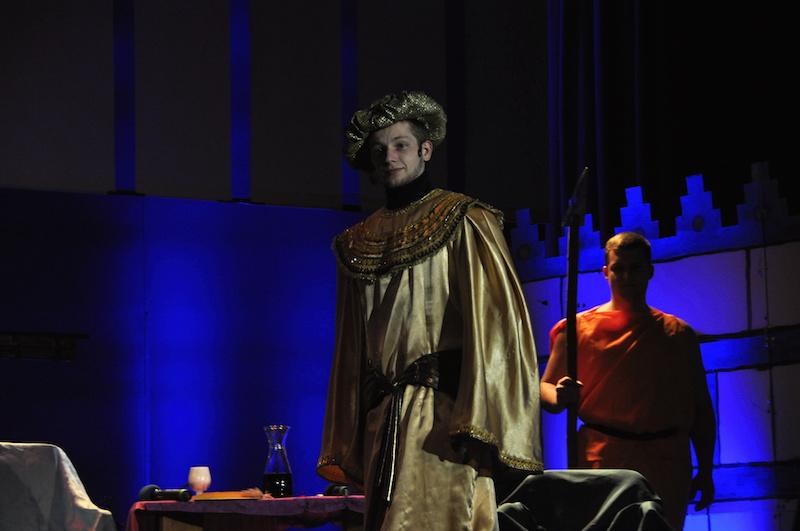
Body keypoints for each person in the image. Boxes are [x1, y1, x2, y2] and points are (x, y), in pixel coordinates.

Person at [316, 90, 543, 530]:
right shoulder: (356, 242)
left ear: (425, 150)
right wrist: (356, 427)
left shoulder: (464, 219)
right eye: (380, 150)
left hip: (444, 417)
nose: (389, 156)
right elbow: (351, 350)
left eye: (400, 145)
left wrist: (477, 418)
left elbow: (498, 327)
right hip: (384, 419)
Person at [540, 231, 716, 530]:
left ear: (649, 271)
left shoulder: (678, 334)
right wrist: (558, 396)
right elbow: (545, 386)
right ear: (605, 272)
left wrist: (706, 469)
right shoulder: (577, 329)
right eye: (618, 268)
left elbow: (701, 409)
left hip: (667, 461)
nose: (626, 277)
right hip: (603, 458)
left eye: (635, 268)